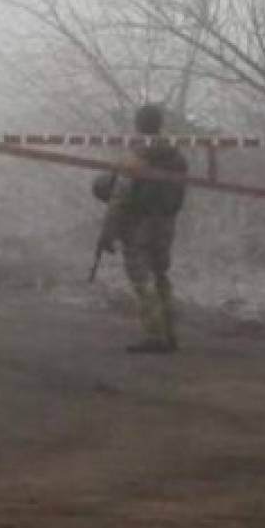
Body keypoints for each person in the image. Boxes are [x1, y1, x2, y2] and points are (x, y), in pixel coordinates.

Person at [97, 104, 188, 354]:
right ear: (159, 124)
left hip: (139, 223)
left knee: (142, 278)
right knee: (161, 274)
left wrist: (108, 233)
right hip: (166, 222)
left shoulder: (136, 155)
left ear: (138, 125)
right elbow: (180, 191)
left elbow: (120, 197)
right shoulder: (176, 155)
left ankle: (154, 335)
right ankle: (169, 333)